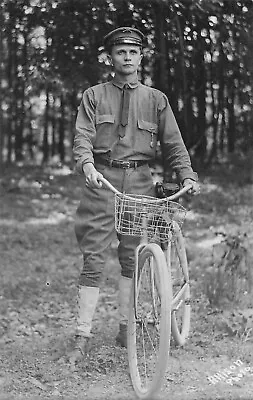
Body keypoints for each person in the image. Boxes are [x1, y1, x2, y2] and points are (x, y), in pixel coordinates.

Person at [71, 27, 199, 362]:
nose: (127, 58)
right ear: (109, 57)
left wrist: (187, 174)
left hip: (140, 181)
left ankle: (126, 327)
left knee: (133, 256)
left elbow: (174, 144)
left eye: (133, 52)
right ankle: (81, 336)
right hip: (102, 179)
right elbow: (83, 136)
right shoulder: (94, 95)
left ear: (141, 57)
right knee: (94, 258)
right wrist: (87, 165)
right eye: (120, 52)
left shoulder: (156, 100)